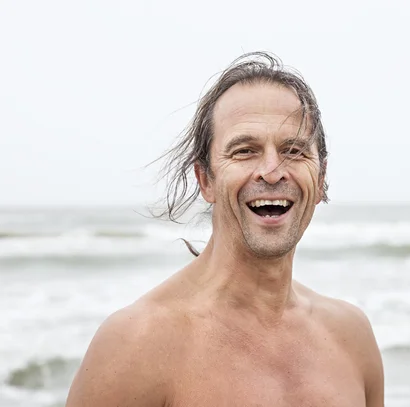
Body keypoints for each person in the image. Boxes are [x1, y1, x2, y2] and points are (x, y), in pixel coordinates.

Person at [66, 52, 384, 407]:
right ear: (206, 180)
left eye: (293, 150)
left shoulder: (351, 338)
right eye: (244, 151)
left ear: (321, 178)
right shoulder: (136, 344)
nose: (272, 171)